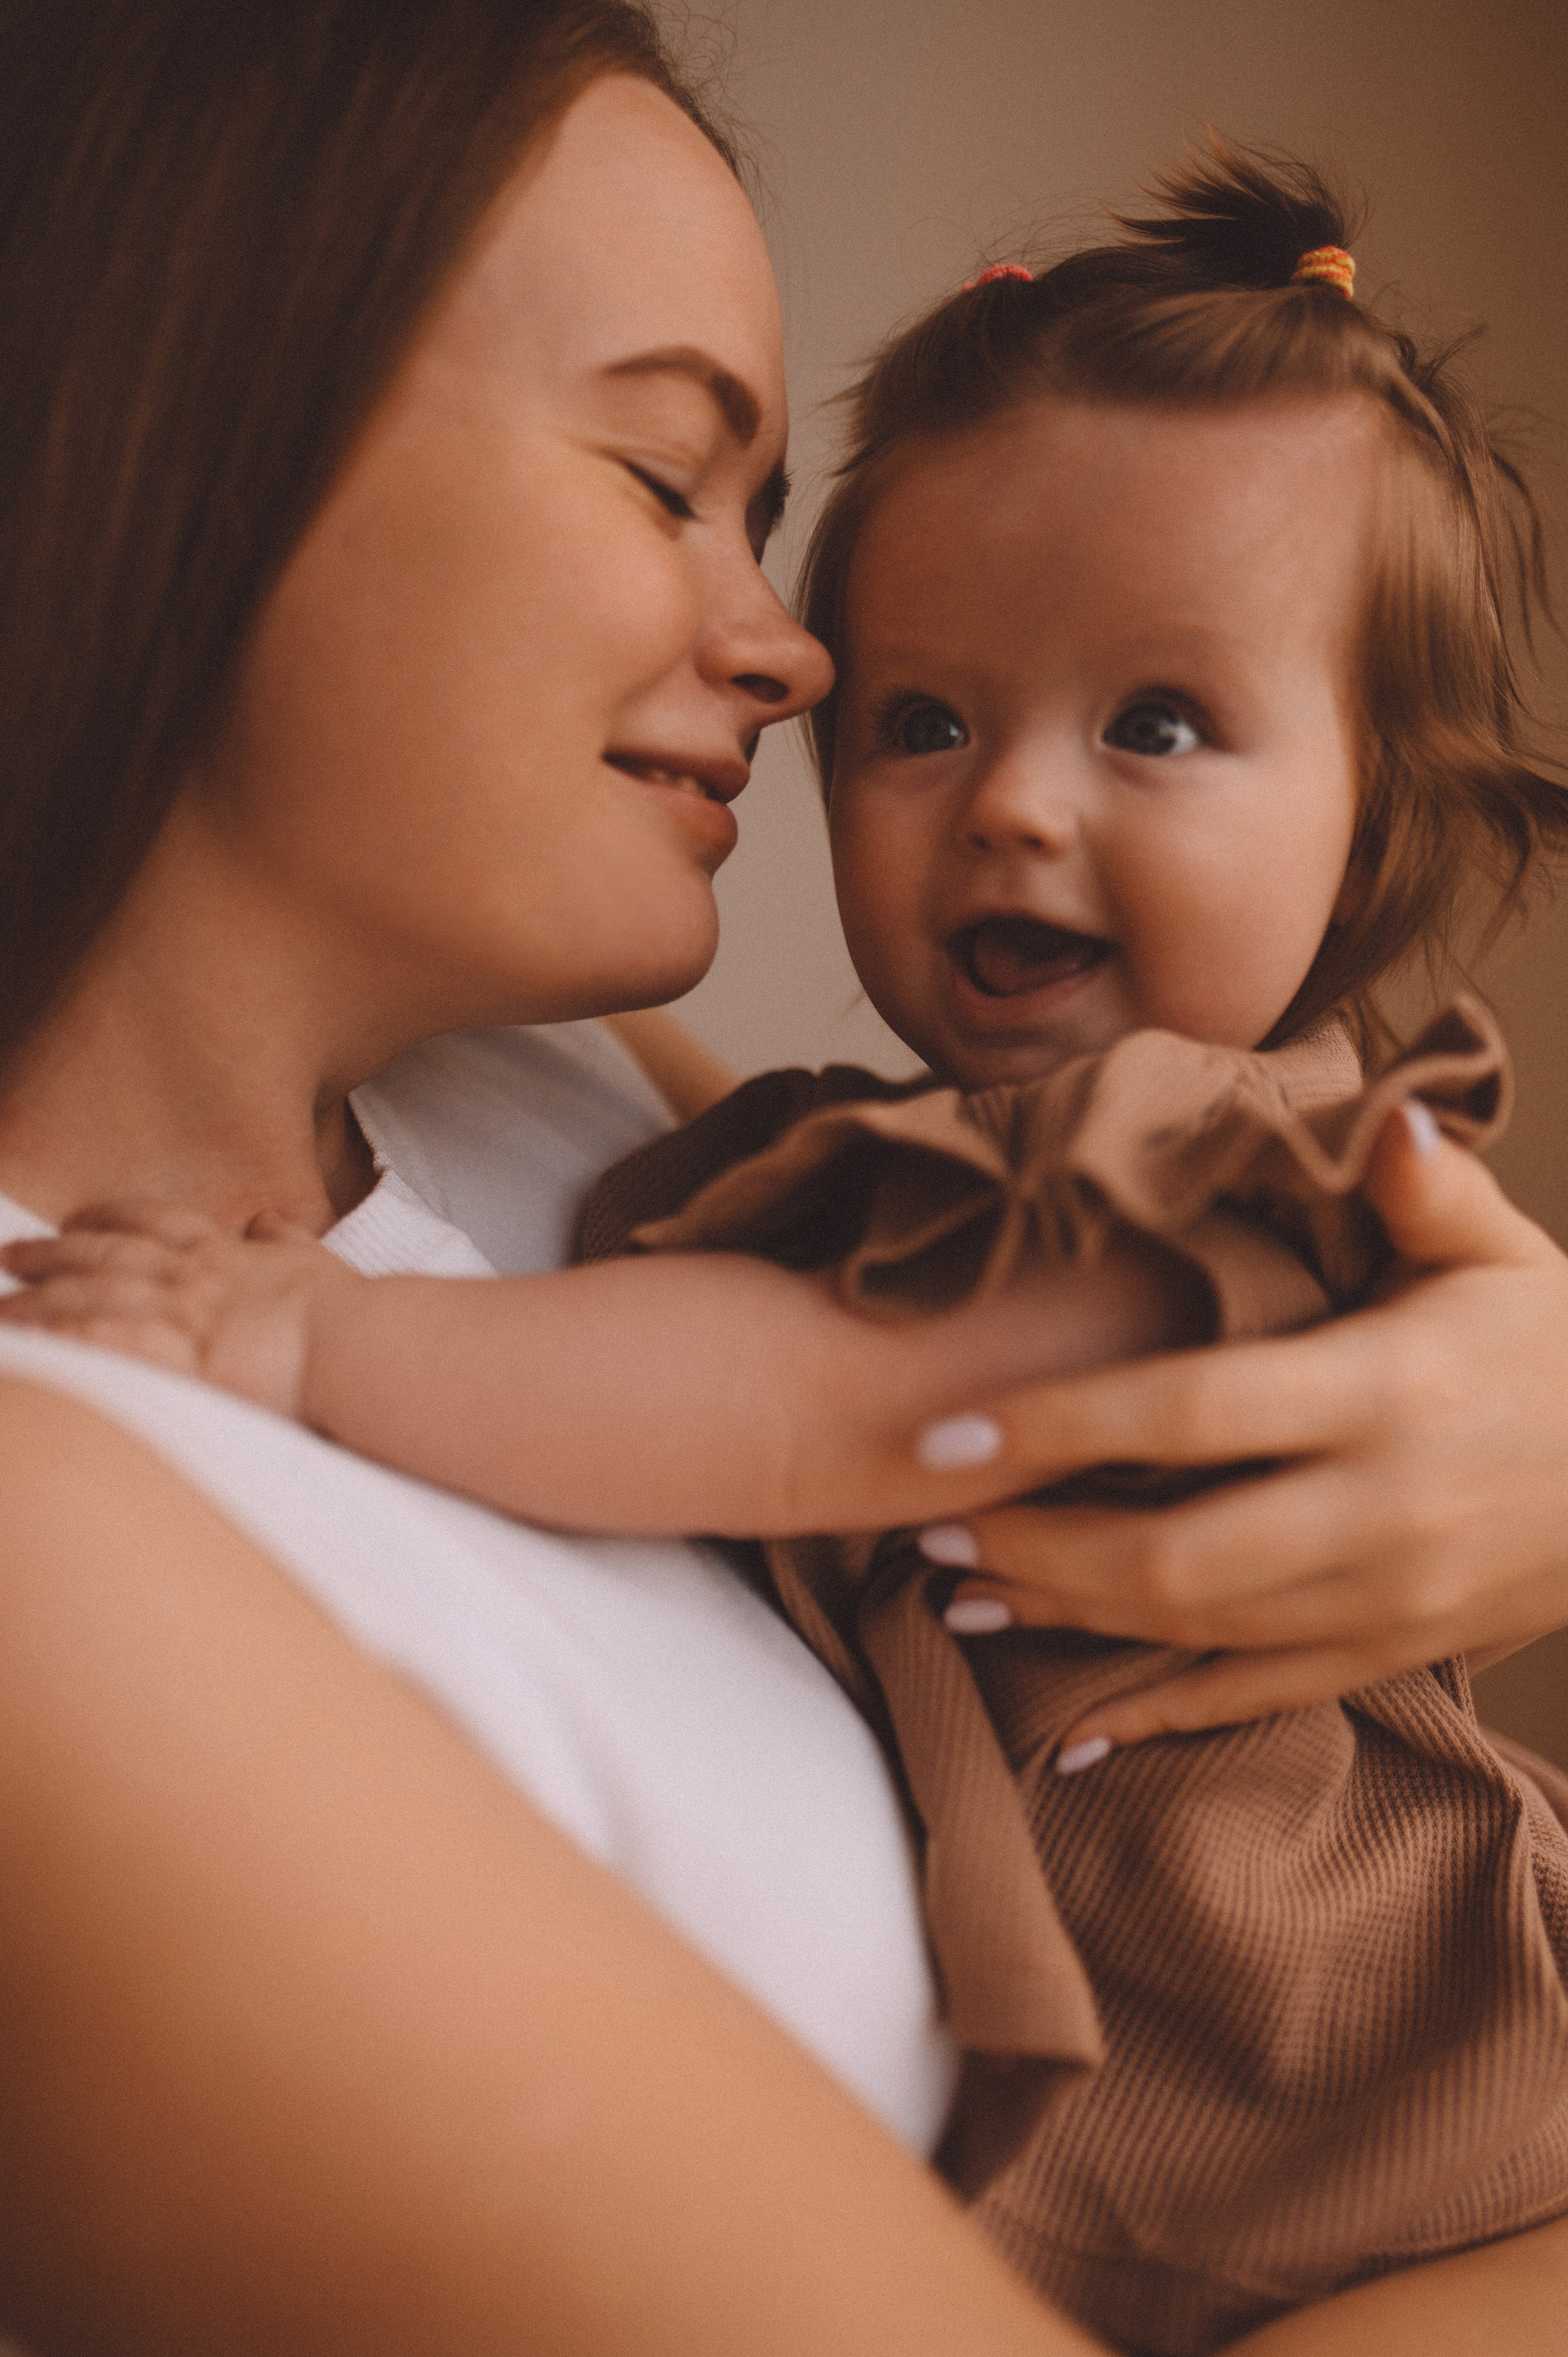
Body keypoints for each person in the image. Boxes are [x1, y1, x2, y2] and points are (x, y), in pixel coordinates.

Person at [0, 2, 1566, 2348]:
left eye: (1159, 722)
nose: (796, 656)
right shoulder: (63, 1536)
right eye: (661, 480)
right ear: (187, 428)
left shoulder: (563, 1097)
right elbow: (870, 1384)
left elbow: (883, 1365)